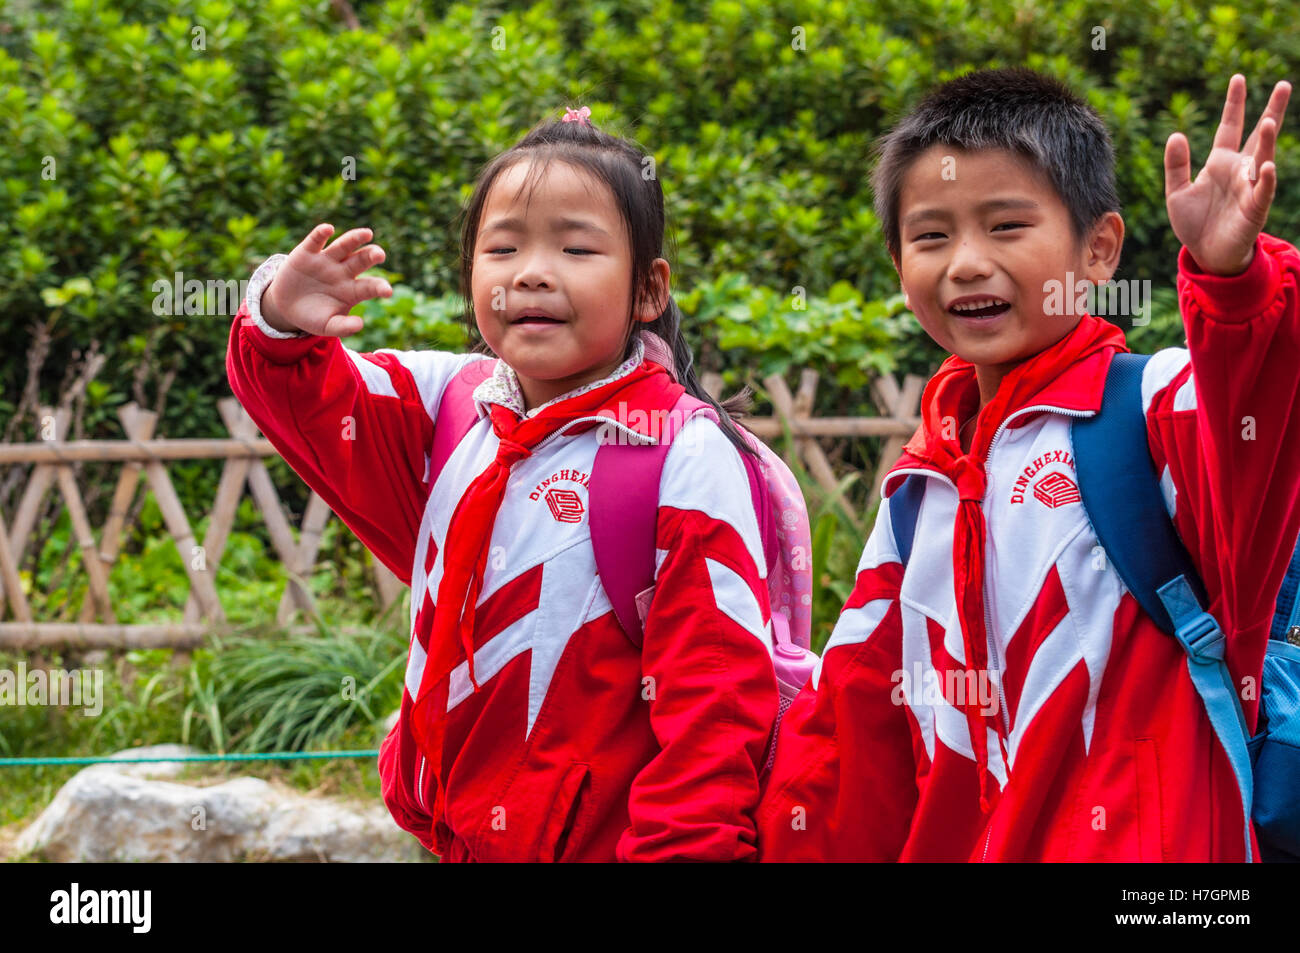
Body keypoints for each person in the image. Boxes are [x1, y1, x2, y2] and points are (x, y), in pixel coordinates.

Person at [756, 68, 1299, 861]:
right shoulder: (920, 486)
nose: (966, 263)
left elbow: (1262, 440)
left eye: (1006, 225)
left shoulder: (1154, 407)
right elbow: (850, 725)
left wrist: (1232, 287)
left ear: (1100, 248)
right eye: (932, 236)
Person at [226, 107, 779, 861]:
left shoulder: (683, 455)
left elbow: (714, 703)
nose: (531, 271)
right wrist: (281, 321)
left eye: (577, 247)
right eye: (503, 247)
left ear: (649, 290)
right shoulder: (447, 405)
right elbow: (307, 404)